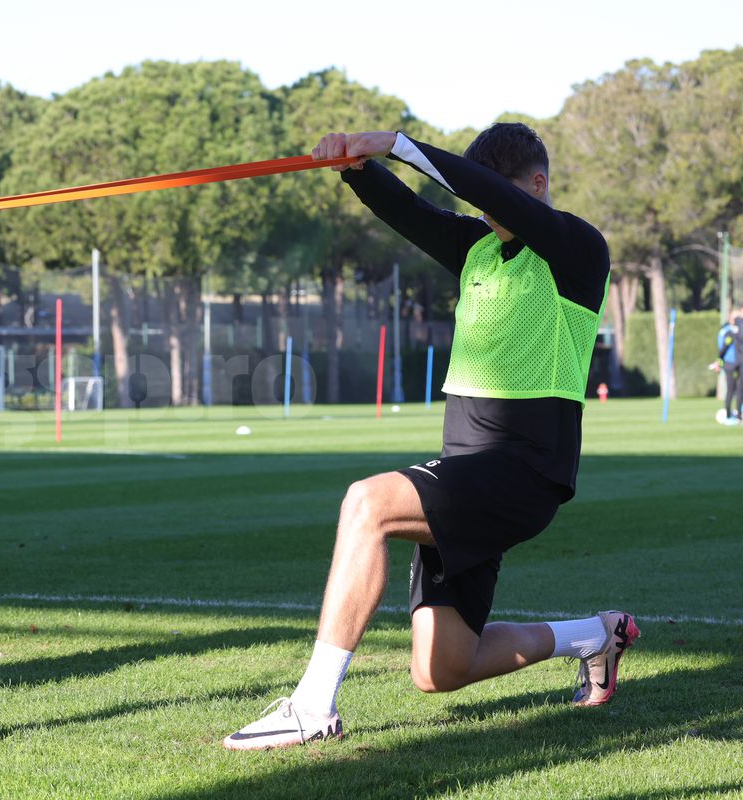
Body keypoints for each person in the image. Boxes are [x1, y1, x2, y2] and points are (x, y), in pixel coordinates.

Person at [224, 124, 638, 750]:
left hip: (525, 470)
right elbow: (409, 210)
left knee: (367, 504)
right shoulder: (477, 248)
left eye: (501, 196)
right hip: (467, 471)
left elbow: (472, 188)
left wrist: (395, 141)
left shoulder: (576, 249)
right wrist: (356, 168)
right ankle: (596, 635)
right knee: (441, 669)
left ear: (538, 186)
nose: (486, 212)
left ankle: (312, 706)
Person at [712, 309, 742, 424]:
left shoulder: (737, 330)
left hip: (739, 363)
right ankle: (729, 414)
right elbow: (723, 348)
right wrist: (719, 362)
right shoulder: (727, 331)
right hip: (729, 364)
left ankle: (739, 414)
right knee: (731, 389)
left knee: (739, 389)